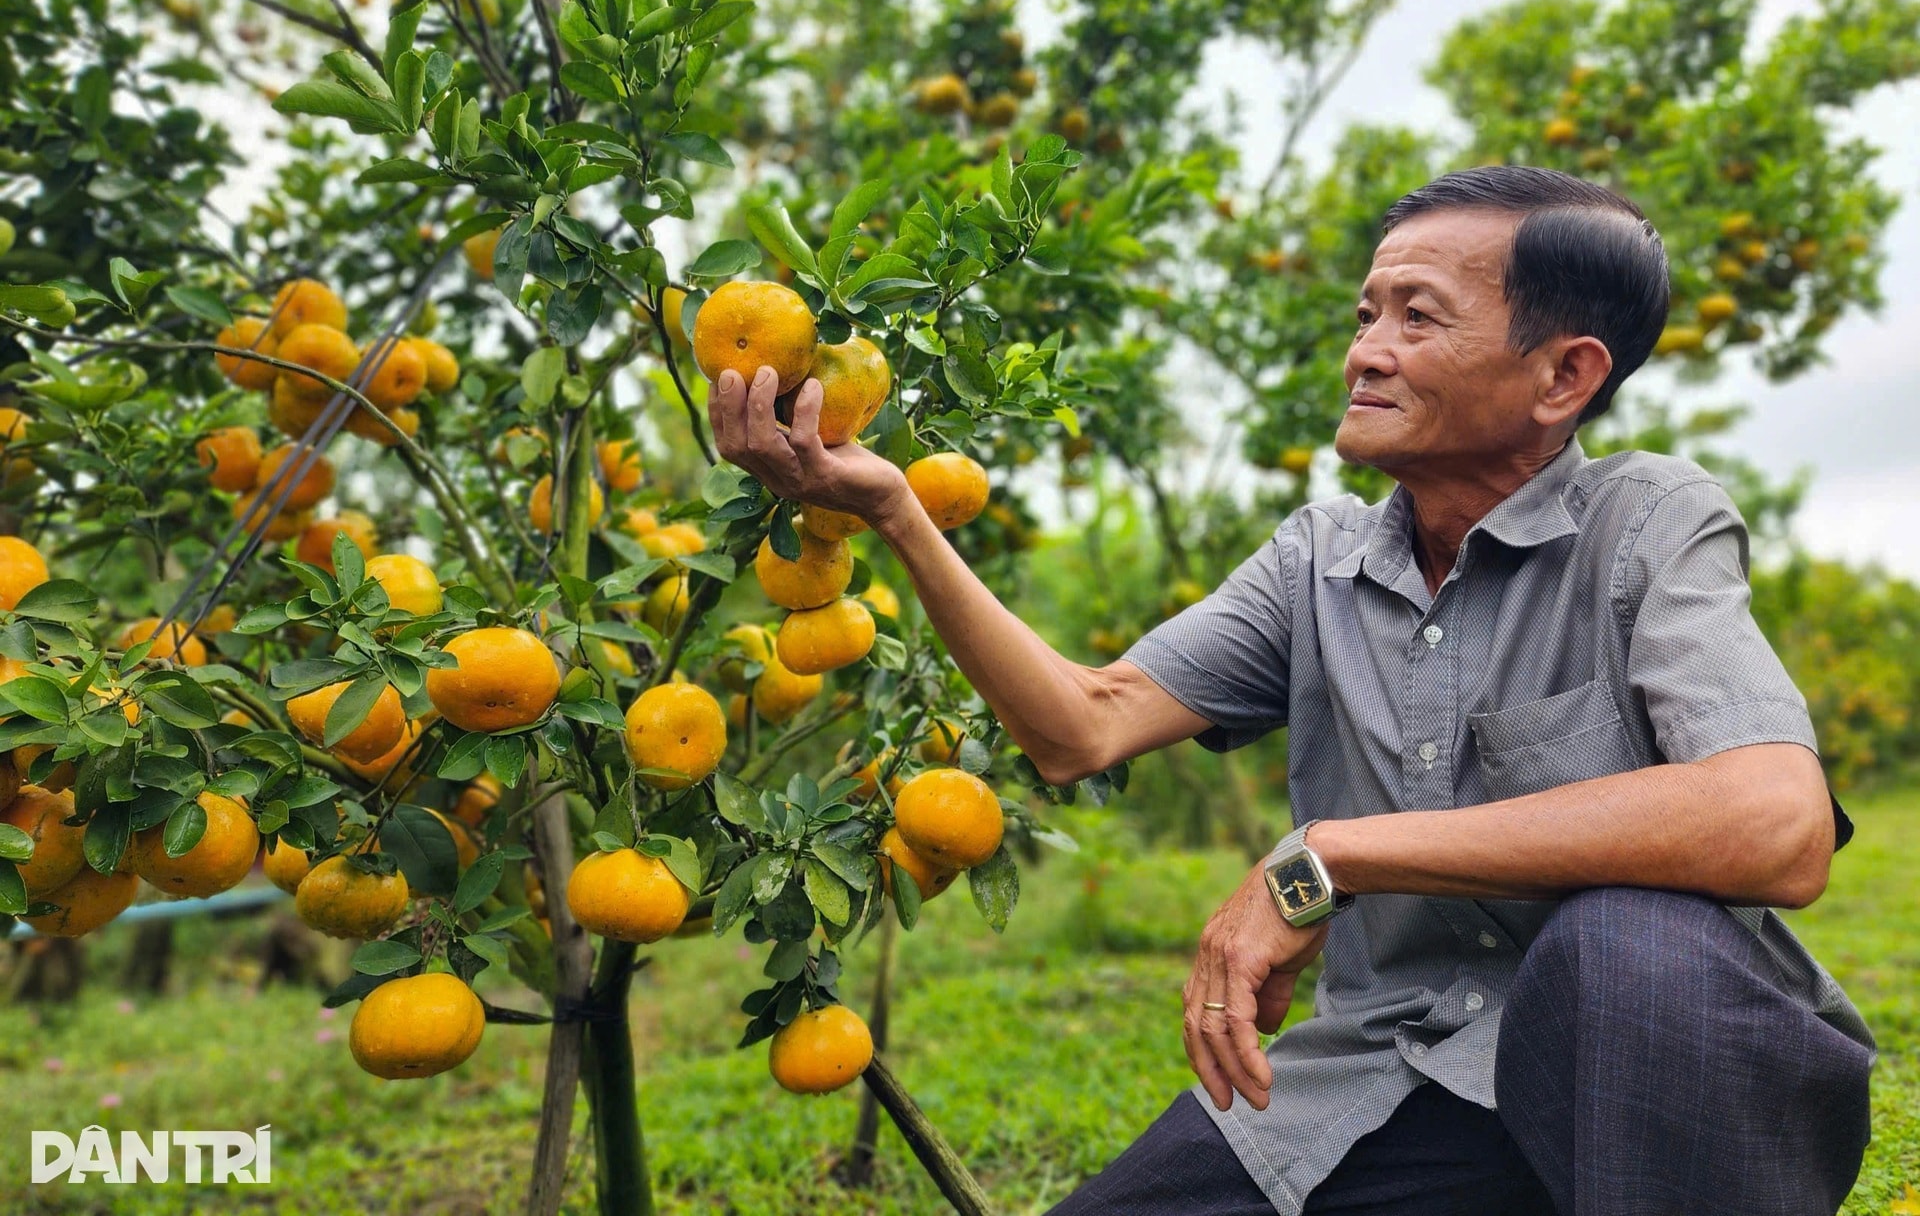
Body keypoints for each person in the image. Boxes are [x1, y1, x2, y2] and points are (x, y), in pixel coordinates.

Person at [708, 165, 1874, 1215]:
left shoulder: (1649, 523)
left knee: (1623, 946)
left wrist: (1334, 854)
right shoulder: (1316, 561)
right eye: (1368, 312)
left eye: (1419, 317)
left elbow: (1777, 823)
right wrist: (894, 510)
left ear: (1563, 375)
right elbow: (1082, 725)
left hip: (1656, 1094)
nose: (1367, 347)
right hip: (1387, 1077)